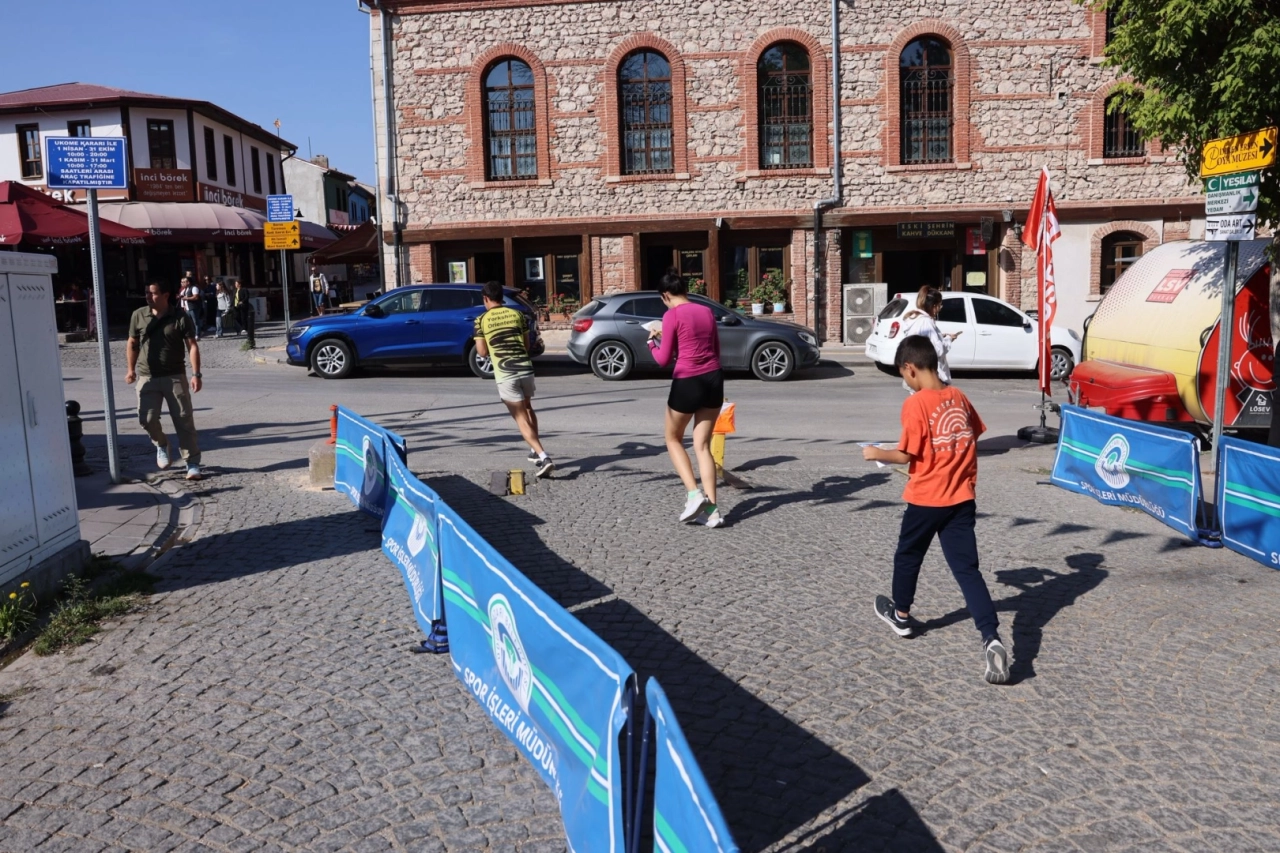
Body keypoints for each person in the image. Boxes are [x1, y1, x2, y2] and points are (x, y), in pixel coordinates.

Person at [862, 335, 1008, 685]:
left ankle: (901, 615)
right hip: (962, 499)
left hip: (927, 499)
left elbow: (904, 455)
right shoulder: (959, 396)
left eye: (903, 374)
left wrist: (875, 453)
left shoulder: (916, 404)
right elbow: (972, 435)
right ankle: (991, 637)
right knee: (968, 571)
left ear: (910, 368)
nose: (905, 381)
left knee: (908, 556)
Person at [646, 271, 724, 528]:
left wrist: (652, 342)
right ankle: (712, 511)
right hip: (714, 378)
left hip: (688, 380)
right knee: (702, 446)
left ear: (665, 295)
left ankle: (694, 495)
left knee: (672, 438)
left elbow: (663, 359)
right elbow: (715, 349)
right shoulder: (706, 312)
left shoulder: (672, 315)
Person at [473, 280, 554, 478]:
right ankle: (534, 450)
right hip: (525, 369)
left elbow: (482, 352)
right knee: (528, 408)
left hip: (506, 373)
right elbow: (526, 345)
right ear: (501, 297)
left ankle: (544, 457)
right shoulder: (518, 315)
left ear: (486, 298)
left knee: (520, 417)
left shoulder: (481, 320)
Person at [125, 281, 204, 481]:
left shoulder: (180, 316)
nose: (148, 297)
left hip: (174, 376)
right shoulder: (138, 315)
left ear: (165, 295)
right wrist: (130, 370)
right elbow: (132, 343)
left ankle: (192, 463)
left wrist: (196, 374)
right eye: (146, 292)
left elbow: (192, 345)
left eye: (152, 293)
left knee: (184, 420)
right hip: (147, 376)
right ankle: (161, 444)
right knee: (147, 419)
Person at [898, 286, 960, 386]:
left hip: (917, 374)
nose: (940, 308)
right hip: (930, 377)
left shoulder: (914, 319)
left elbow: (921, 340)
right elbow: (938, 350)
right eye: (940, 305)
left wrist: (939, 336)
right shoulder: (926, 322)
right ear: (934, 306)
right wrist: (949, 339)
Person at [179, 274, 203, 340]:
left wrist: (186, 298)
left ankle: (197, 334)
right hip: (187, 308)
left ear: (188, 282)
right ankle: (192, 334)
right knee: (189, 322)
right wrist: (184, 305)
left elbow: (196, 297)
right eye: (182, 282)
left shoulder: (194, 288)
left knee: (196, 321)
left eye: (184, 282)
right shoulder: (185, 289)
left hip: (193, 307)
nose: (182, 283)